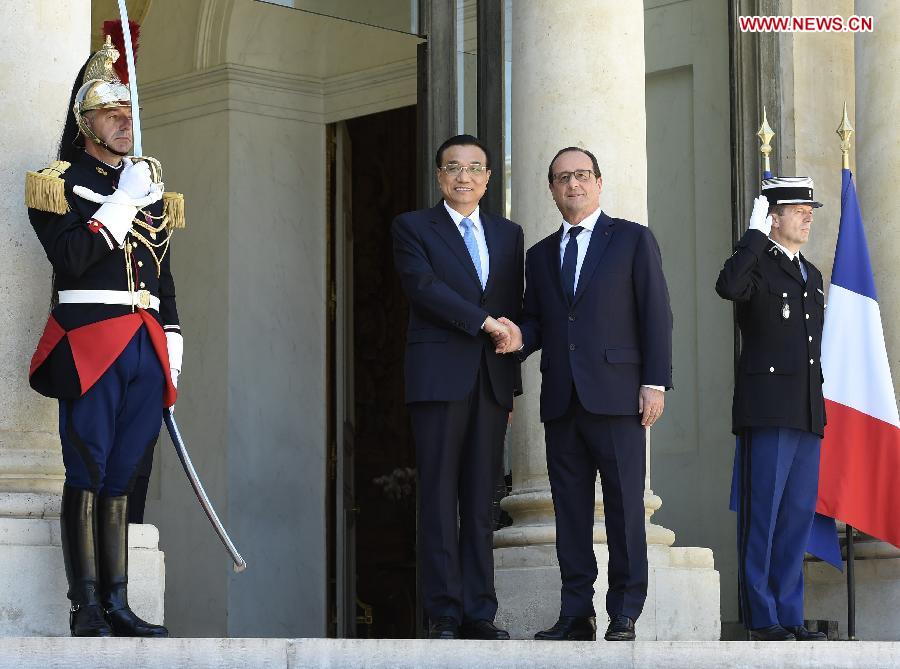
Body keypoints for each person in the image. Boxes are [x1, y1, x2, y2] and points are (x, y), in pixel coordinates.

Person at [25, 33, 184, 638]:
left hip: (143, 340)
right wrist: (115, 206)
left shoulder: (149, 188)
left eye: (128, 113)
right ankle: (84, 606)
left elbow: (163, 275)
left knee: (126, 470)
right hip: (91, 337)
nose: (124, 122)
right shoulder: (57, 183)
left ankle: (118, 603)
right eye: (112, 113)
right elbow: (70, 259)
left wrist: (171, 338)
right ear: (85, 122)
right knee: (87, 466)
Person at [497, 147, 672, 641]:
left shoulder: (632, 240)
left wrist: (654, 383)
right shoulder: (540, 255)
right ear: (551, 190)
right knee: (569, 514)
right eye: (561, 178)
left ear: (598, 181)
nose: (572, 185)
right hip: (562, 401)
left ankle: (625, 612)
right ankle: (576, 613)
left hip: (619, 398)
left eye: (581, 176)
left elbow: (657, 314)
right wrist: (518, 338)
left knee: (622, 509)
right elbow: (538, 320)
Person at [391, 134, 524, 640]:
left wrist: (509, 386)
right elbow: (424, 289)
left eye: (474, 168)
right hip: (438, 380)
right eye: (453, 167)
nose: (464, 176)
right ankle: (444, 612)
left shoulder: (508, 234)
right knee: (441, 497)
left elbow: (514, 306)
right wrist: (486, 323)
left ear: (489, 179)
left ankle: (479, 612)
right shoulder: (413, 227)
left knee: (481, 500)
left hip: (490, 384)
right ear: (439, 176)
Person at [715, 177, 828, 642]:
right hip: (766, 410)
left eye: (810, 208)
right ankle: (761, 615)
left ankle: (789, 613)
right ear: (773, 216)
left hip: (805, 411)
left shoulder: (811, 274)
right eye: (797, 208)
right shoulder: (756, 263)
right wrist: (753, 238)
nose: (808, 215)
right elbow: (728, 286)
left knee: (796, 516)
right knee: (763, 514)